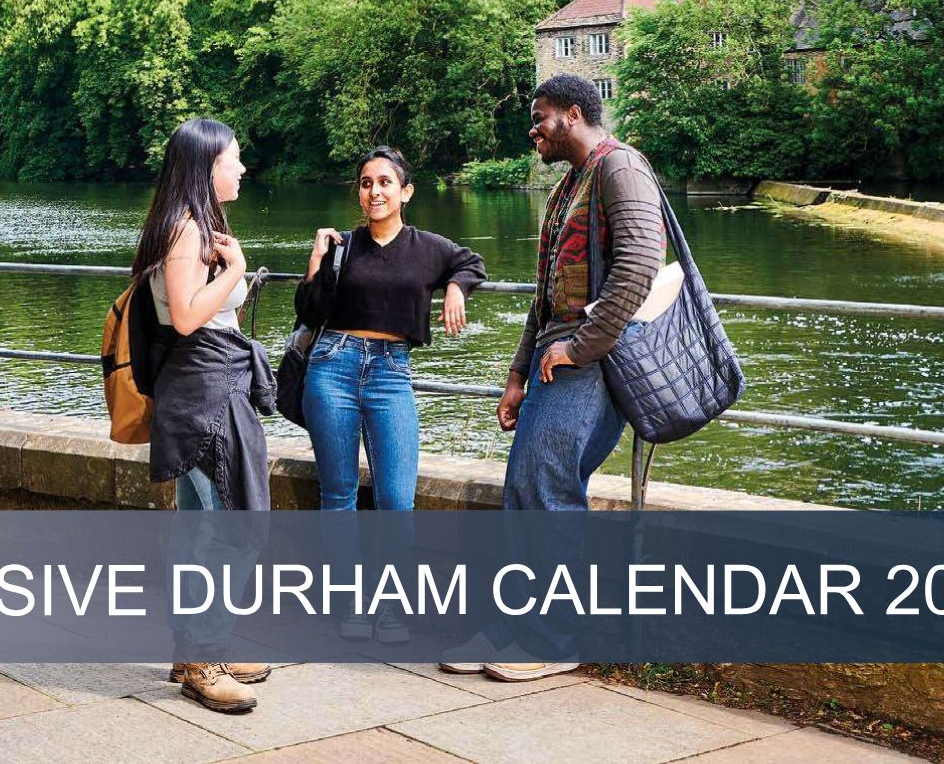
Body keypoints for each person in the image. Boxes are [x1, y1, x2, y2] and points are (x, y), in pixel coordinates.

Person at [443, 72, 666, 685]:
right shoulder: (572, 182)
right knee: (526, 487)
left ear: (571, 114)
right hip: (555, 360)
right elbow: (546, 295)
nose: (532, 126)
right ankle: (515, 625)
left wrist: (582, 348)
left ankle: (552, 638)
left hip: (591, 365)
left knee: (546, 489)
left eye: (540, 115)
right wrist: (518, 372)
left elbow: (642, 265)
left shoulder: (621, 168)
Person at [300, 145, 485, 644]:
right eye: (365, 183)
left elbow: (472, 263)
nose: (374, 191)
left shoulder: (430, 247)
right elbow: (311, 311)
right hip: (332, 368)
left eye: (385, 182)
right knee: (337, 495)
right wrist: (316, 262)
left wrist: (455, 288)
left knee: (396, 500)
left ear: (405, 192)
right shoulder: (342, 245)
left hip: (390, 374)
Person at [128, 117, 274, 714]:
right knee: (229, 528)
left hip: (204, 389)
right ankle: (202, 659)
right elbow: (187, 317)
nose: (242, 168)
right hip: (203, 394)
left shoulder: (188, 224)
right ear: (207, 166)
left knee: (202, 528)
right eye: (234, 159)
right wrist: (238, 272)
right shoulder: (187, 229)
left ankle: (196, 648)